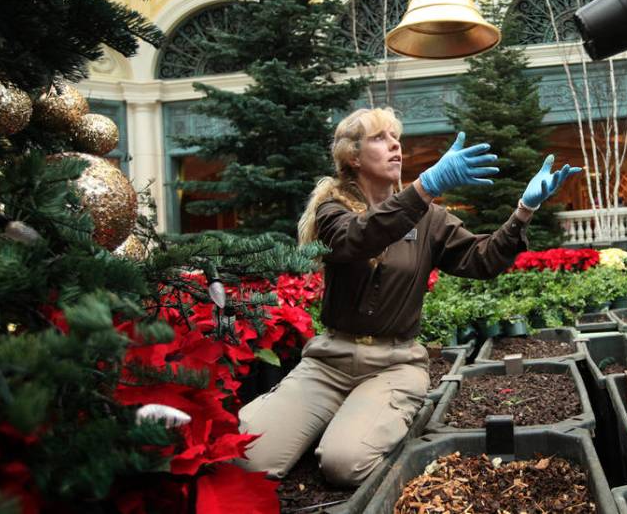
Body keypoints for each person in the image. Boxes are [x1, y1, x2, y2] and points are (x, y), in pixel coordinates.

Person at [236, 107, 581, 485]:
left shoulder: (429, 219)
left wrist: (524, 211)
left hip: (394, 364)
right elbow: (360, 237)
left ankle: (367, 419)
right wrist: (426, 186)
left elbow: (481, 261)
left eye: (396, 137)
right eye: (379, 137)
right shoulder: (331, 211)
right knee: (249, 455)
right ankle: (342, 417)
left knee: (343, 464)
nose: (395, 144)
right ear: (353, 156)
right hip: (327, 364)